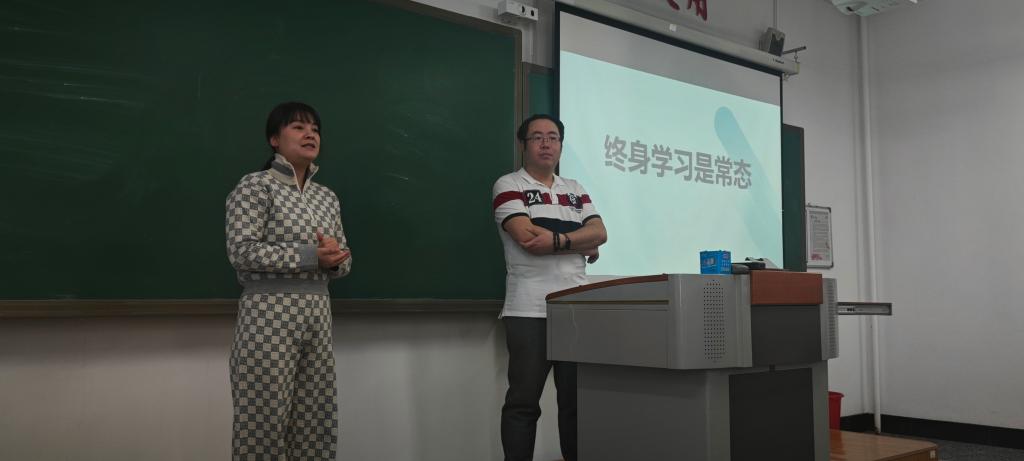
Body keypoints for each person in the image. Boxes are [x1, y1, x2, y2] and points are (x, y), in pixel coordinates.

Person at [225, 101, 352, 460]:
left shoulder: (326, 197)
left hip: (318, 316)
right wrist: (312, 256)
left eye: (315, 129)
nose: (310, 134)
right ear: (274, 140)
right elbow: (242, 252)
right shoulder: (255, 186)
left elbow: (344, 260)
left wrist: (335, 260)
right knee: (262, 425)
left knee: (316, 423)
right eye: (298, 127)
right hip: (267, 314)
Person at [492, 114, 608, 461]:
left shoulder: (575, 188)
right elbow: (528, 238)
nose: (546, 143)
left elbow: (600, 233)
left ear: (560, 144)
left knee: (576, 404)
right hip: (529, 311)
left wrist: (556, 238)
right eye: (537, 137)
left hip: (575, 309)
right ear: (523, 144)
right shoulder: (509, 184)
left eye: (553, 137)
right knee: (523, 404)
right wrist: (578, 242)